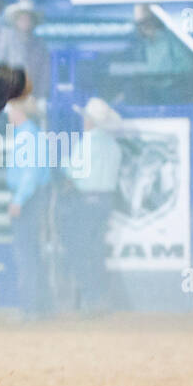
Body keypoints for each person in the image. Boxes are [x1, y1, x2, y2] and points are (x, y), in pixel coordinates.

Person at [62, 97, 124, 313]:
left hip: (87, 201)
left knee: (80, 250)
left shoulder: (86, 143)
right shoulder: (113, 145)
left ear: (91, 121)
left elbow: (72, 173)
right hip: (106, 201)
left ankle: (91, 297)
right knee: (96, 251)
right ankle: (100, 297)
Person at [4, 95, 58, 319]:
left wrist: (18, 199)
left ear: (18, 112)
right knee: (31, 252)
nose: (7, 113)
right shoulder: (29, 133)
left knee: (26, 252)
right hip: (33, 197)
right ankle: (39, 306)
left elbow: (29, 172)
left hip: (29, 199)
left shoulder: (26, 135)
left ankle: (30, 308)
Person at [3, 0, 49, 115]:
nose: (25, 21)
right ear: (16, 21)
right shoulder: (7, 44)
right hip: (12, 100)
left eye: (28, 18)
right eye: (22, 18)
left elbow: (45, 73)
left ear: (33, 22)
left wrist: (41, 98)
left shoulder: (41, 45)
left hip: (34, 99)